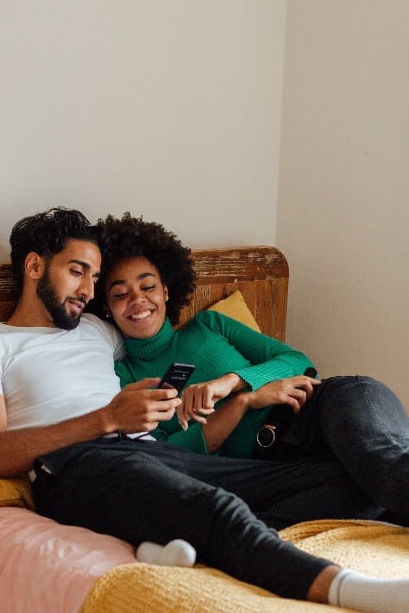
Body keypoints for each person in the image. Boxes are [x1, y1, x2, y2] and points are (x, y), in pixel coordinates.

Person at [0, 206, 409, 613]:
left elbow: (159, 332)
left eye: (93, 277)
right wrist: (106, 419)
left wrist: (234, 386)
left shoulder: (97, 331)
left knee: (346, 482)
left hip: (153, 454)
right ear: (35, 266)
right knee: (215, 510)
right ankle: (369, 594)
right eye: (77, 272)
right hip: (77, 461)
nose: (88, 290)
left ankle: (167, 537)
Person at [95, 211, 409, 526]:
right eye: (120, 294)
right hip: (269, 471)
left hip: (319, 409)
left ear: (165, 290)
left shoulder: (209, 325)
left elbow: (297, 361)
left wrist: (232, 382)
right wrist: (244, 402)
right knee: (274, 522)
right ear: (107, 309)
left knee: (382, 461)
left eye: (147, 286)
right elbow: (166, 455)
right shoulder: (122, 378)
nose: (137, 299)